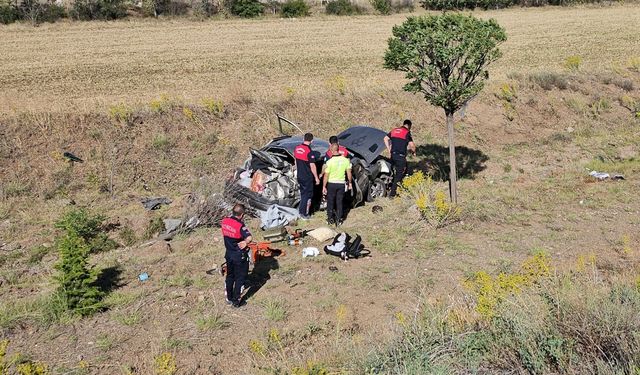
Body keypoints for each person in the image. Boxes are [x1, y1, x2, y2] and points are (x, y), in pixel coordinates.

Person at [221, 204, 252, 308]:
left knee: (230, 275)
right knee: (240, 278)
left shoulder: (224, 221)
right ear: (242, 214)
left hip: (228, 253)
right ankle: (236, 301)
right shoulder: (240, 225)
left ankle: (228, 297)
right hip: (239, 255)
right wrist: (246, 242)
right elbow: (249, 237)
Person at [384, 119, 416, 197]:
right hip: (400, 157)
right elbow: (412, 145)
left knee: (393, 172)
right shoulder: (406, 132)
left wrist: (389, 150)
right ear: (409, 126)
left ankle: (389, 188)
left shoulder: (394, 130)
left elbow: (385, 138)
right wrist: (414, 152)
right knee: (399, 175)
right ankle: (392, 194)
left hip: (392, 156)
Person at [322, 143, 353, 226]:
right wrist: (350, 183)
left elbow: (326, 175)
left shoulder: (329, 162)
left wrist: (324, 186)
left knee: (330, 201)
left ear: (331, 150)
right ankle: (339, 219)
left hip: (331, 184)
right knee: (339, 201)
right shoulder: (345, 160)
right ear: (338, 149)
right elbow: (349, 173)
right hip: (341, 184)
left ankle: (330, 218)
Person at [294, 133, 320, 219]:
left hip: (299, 175)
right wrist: (316, 178)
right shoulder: (309, 151)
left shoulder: (297, 148)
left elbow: (296, 161)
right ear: (312, 141)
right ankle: (304, 214)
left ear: (303, 139)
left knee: (302, 193)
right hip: (307, 176)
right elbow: (312, 166)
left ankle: (301, 210)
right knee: (308, 195)